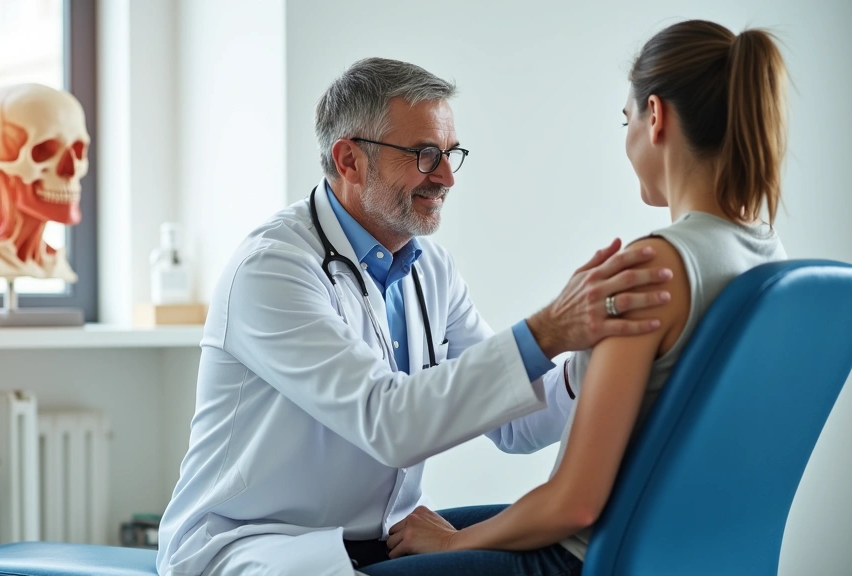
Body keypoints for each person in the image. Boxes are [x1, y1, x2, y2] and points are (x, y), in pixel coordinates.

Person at [156, 57, 674, 576]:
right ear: (349, 160)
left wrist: (601, 348)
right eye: (425, 155)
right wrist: (551, 328)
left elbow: (518, 425)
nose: (446, 176)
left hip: (379, 537)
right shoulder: (273, 271)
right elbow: (389, 422)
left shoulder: (431, 268)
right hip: (260, 546)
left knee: (577, 542)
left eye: (451, 154)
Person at [379, 19, 789, 576]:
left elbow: (574, 503)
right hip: (685, 550)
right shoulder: (767, 253)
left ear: (655, 116)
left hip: (580, 557)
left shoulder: (652, 268)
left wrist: (455, 544)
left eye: (627, 120)